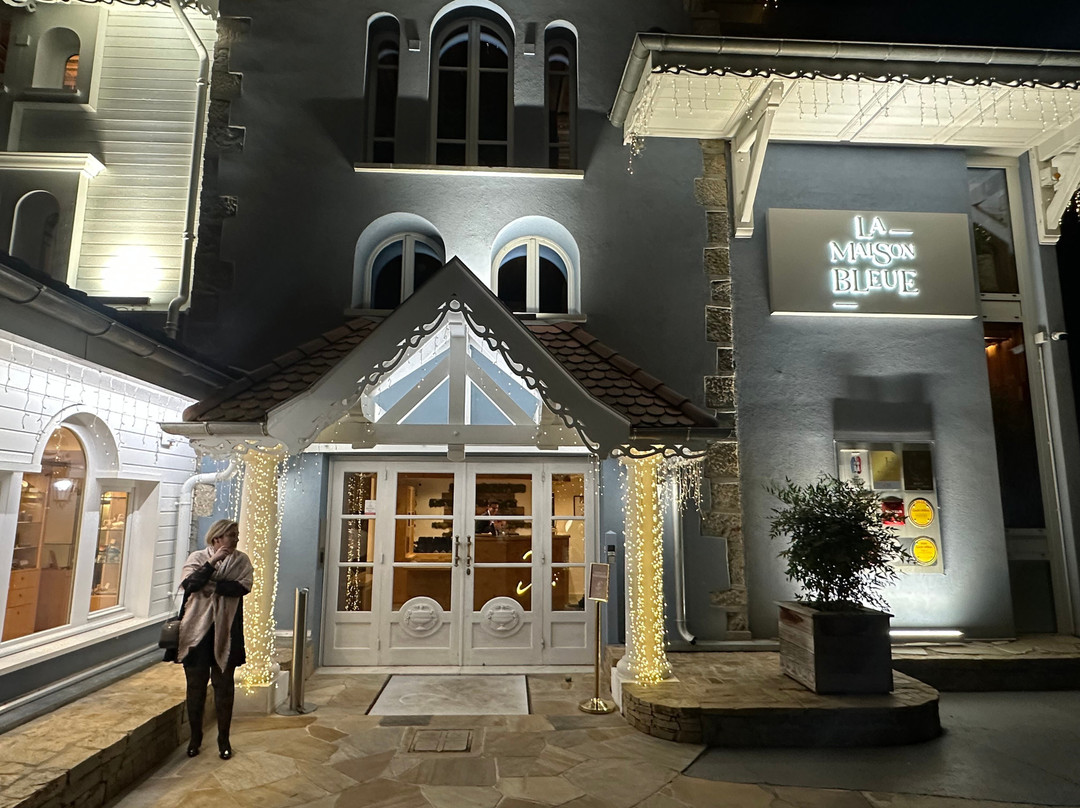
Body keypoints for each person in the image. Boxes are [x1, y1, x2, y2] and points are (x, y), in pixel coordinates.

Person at [166, 519, 252, 760]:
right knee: (195, 686)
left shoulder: (242, 561)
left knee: (224, 686)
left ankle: (224, 739)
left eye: (236, 534)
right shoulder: (197, 558)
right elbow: (190, 584)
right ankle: (195, 738)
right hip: (196, 631)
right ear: (217, 538)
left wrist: (211, 585)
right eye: (232, 535)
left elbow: (243, 587)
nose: (236, 539)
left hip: (227, 629)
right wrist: (212, 564)